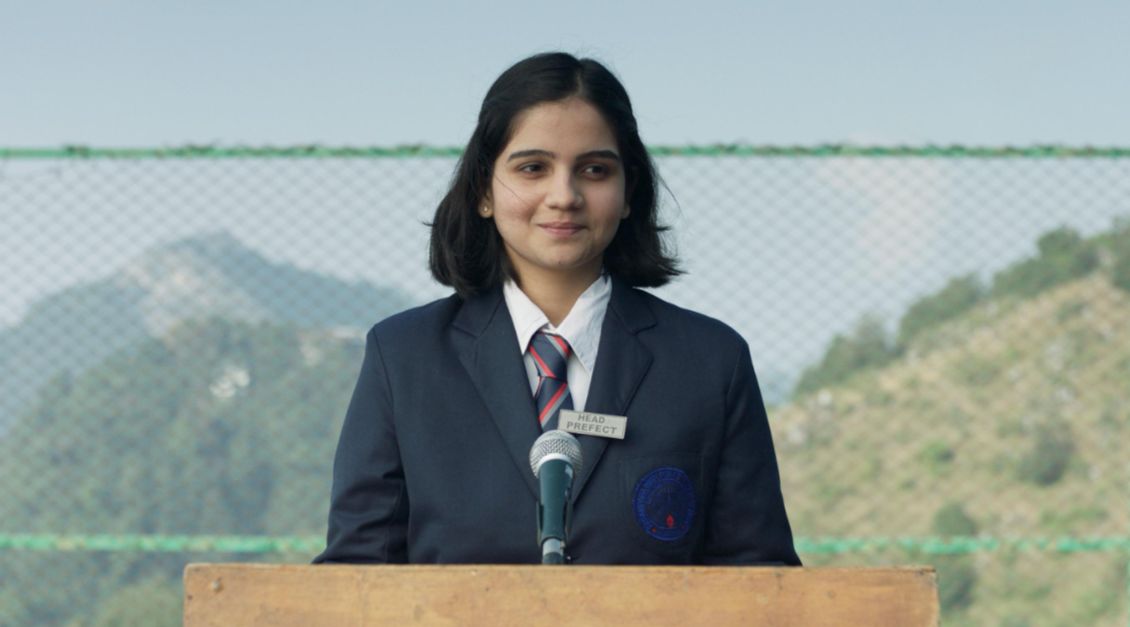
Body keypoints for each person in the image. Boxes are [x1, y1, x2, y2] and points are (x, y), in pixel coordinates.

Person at [314, 52, 800, 565]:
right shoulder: (403, 357)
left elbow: (760, 576)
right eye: (532, 168)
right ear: (483, 189)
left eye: (594, 170)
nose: (563, 195)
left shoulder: (710, 362)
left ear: (628, 190)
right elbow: (357, 575)